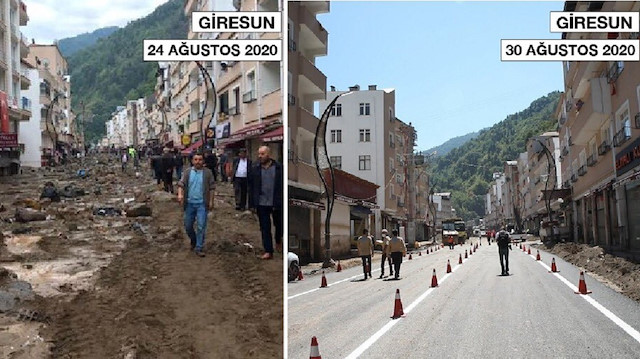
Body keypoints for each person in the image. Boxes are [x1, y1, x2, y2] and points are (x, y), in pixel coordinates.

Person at [177, 152, 215, 257]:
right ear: (192, 161)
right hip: (189, 203)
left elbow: (212, 188)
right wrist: (180, 195)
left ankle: (199, 247)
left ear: (203, 161)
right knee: (188, 225)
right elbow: (181, 184)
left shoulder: (208, 173)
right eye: (196, 159)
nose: (198, 162)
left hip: (202, 204)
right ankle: (193, 240)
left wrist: (211, 201)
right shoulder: (187, 172)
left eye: (200, 160)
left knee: (201, 225)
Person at [248, 145, 283, 260]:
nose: (260, 156)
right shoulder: (255, 168)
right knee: (265, 228)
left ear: (269, 154)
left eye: (262, 154)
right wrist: (252, 204)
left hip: (276, 202)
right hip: (262, 203)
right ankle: (268, 251)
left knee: (279, 225)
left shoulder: (279, 168)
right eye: (259, 154)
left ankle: (278, 240)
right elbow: (251, 187)